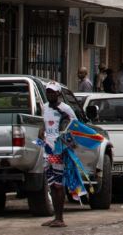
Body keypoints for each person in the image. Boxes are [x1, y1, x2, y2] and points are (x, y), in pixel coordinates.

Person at [40, 81, 76, 228]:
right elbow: (44, 124)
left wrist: (68, 142)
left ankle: (60, 218)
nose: (50, 94)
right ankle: (56, 216)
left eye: (53, 92)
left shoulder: (66, 108)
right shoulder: (44, 107)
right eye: (48, 91)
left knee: (58, 184)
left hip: (58, 150)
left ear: (58, 93)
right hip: (46, 150)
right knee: (52, 184)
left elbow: (74, 126)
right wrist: (40, 135)